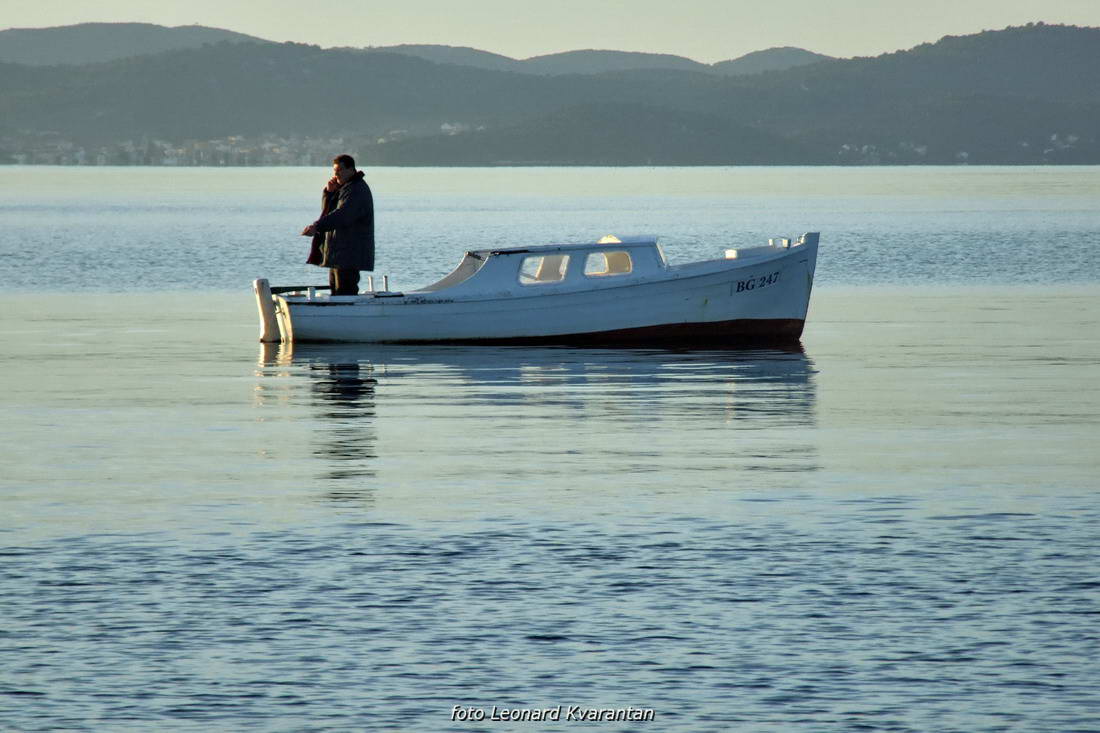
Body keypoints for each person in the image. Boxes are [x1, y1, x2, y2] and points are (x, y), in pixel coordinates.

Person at [301, 154, 374, 295]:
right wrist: (329, 193)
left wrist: (317, 227)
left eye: (340, 170)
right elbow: (328, 212)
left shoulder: (356, 189)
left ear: (351, 169)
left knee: (345, 293)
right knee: (336, 293)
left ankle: (348, 310)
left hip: (349, 253)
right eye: (335, 170)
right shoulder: (344, 188)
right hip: (338, 253)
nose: (336, 174)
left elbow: (342, 215)